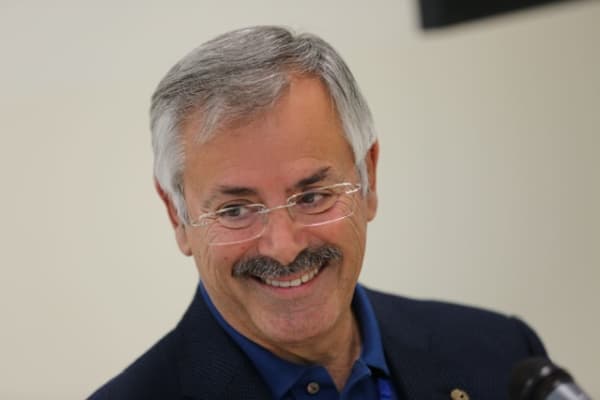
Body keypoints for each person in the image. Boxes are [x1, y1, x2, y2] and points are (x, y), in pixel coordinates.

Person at [90, 26, 547, 400]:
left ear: (368, 178)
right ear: (177, 216)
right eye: (236, 210)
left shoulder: (504, 357)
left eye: (311, 197)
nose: (284, 248)